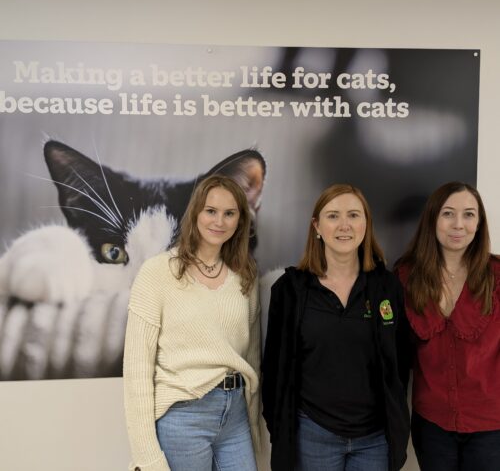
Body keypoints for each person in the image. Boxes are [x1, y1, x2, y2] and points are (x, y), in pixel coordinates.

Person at [262, 184, 410, 471]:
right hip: (312, 435)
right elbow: (274, 369)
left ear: (366, 223)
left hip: (375, 439)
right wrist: (279, 426)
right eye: (333, 216)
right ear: (317, 226)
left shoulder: (387, 287)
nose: (344, 225)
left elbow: (400, 362)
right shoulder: (290, 290)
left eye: (354, 215)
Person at [123, 175, 261, 471]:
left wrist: (256, 435)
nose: (219, 221)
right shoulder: (158, 273)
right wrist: (147, 457)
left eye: (229, 213)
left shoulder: (245, 276)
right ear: (195, 212)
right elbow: (136, 372)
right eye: (211, 211)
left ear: (240, 219)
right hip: (183, 416)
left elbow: (251, 357)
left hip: (235, 415)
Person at [395, 181, 500, 471]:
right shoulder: (406, 276)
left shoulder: (497, 276)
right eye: (448, 213)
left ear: (479, 223)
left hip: (491, 428)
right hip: (432, 426)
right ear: (433, 219)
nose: (458, 224)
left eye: (469, 214)